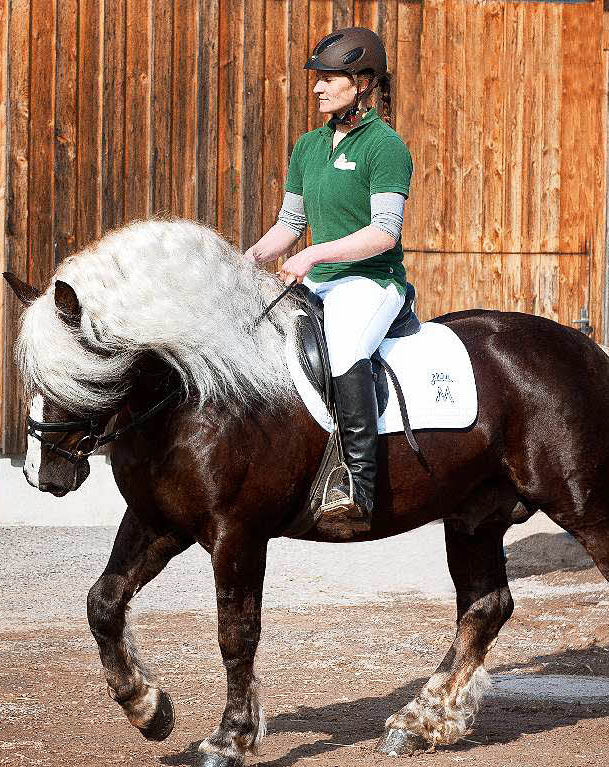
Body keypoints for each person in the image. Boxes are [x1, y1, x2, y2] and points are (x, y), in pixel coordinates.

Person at [244, 27, 413, 532]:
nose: (316, 88)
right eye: (316, 79)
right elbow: (290, 225)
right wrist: (246, 258)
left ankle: (357, 486)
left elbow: (384, 233)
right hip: (322, 282)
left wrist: (313, 255)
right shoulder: (308, 147)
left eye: (328, 78)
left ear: (362, 83)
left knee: (343, 351)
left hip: (372, 282)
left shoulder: (385, 147)